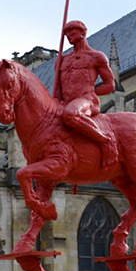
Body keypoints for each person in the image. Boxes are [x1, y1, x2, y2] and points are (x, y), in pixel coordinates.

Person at [53, 20, 117, 167]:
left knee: (70, 114)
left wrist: (90, 91)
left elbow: (110, 85)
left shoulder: (96, 56)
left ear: (83, 33)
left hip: (87, 101)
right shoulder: (62, 60)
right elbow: (58, 89)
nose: (68, 37)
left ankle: (106, 140)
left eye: (72, 33)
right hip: (68, 103)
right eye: (66, 34)